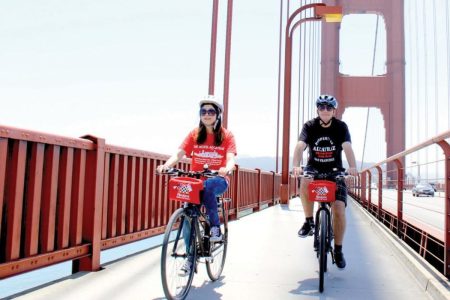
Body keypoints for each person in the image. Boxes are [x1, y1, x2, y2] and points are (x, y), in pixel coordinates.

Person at [156, 95, 237, 274]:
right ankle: (190, 259)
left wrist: (226, 168)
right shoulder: (194, 134)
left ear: (218, 114)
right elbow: (179, 154)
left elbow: (231, 158)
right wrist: (166, 166)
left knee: (208, 187)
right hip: (196, 181)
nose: (207, 114)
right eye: (203, 111)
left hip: (218, 180)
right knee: (187, 215)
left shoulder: (226, 135)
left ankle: (215, 228)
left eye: (211, 111)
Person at [292, 94, 357, 269]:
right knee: (305, 181)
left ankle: (338, 249)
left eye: (329, 108)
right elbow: (300, 145)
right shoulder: (310, 126)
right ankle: (308, 221)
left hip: (335, 171)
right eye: (322, 107)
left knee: (338, 209)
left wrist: (352, 166)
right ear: (317, 110)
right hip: (314, 168)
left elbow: (347, 147)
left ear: (334, 110)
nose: (325, 110)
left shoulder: (341, 127)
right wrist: (296, 165)